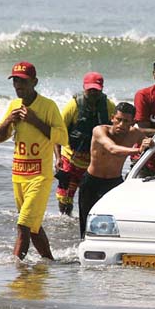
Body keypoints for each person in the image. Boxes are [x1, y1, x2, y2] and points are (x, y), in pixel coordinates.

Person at [0, 61, 68, 261]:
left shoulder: (48, 106)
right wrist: (9, 120)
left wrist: (35, 121)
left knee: (23, 225)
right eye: (15, 80)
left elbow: (63, 138)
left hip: (39, 176)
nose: (19, 85)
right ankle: (50, 262)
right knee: (33, 227)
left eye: (23, 81)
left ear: (34, 82)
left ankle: (16, 269)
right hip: (18, 175)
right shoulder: (13, 106)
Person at [79, 102, 151, 237]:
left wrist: (150, 143)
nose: (121, 125)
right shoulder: (99, 130)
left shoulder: (135, 134)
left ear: (133, 122)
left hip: (114, 183)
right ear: (112, 118)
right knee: (87, 225)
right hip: (92, 183)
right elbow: (112, 149)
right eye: (119, 120)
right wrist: (138, 149)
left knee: (115, 225)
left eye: (126, 121)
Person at [55, 72, 115, 216]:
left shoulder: (109, 106)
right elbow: (58, 133)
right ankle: (65, 225)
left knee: (92, 200)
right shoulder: (73, 105)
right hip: (70, 159)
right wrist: (57, 158)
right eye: (90, 89)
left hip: (95, 163)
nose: (93, 93)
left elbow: (116, 132)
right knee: (65, 200)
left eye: (96, 89)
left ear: (102, 88)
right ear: (84, 87)